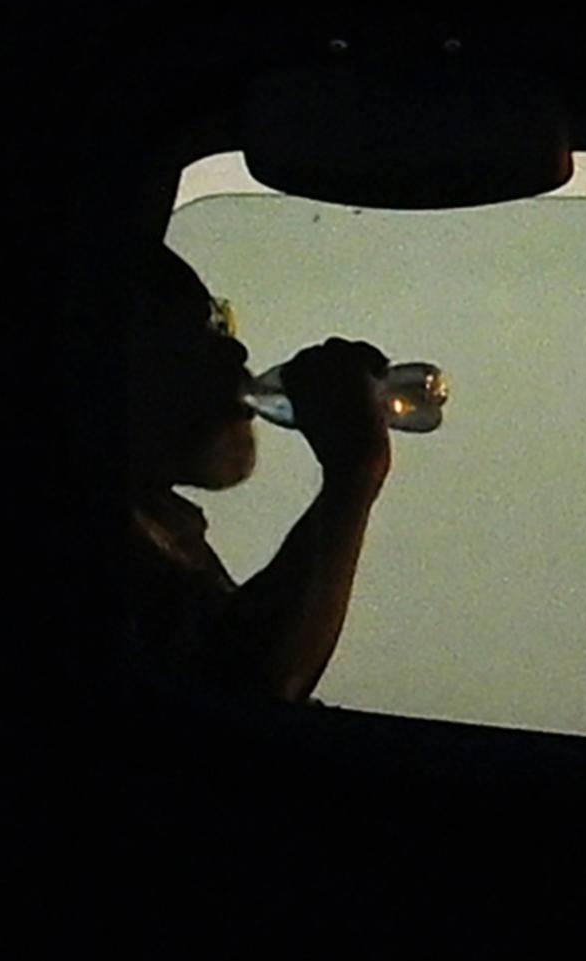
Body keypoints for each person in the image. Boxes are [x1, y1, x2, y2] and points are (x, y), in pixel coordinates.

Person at [112, 242, 395, 702]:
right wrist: (354, 474)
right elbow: (243, 696)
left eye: (220, 322)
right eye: (194, 330)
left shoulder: (161, 530)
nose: (234, 350)